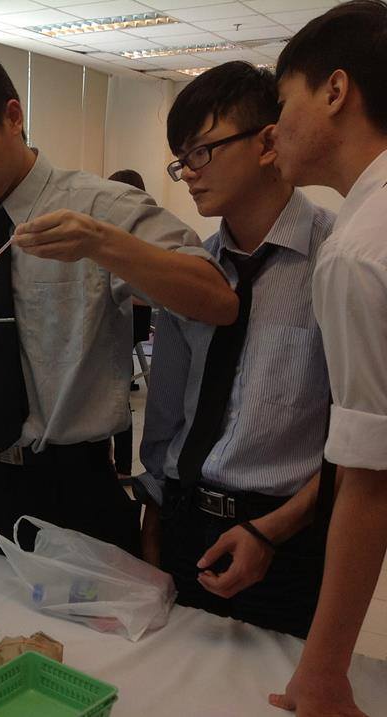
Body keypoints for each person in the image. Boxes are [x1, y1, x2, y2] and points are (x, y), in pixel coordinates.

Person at [0, 47, 238, 555]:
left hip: (71, 487)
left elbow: (216, 300)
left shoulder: (102, 209)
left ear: (13, 117)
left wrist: (104, 245)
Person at [136, 61, 335, 639]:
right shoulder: (194, 270)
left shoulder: (337, 258)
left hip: (282, 534)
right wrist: (154, 521)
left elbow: (360, 440)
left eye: (201, 152)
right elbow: (166, 414)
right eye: (181, 160)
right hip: (184, 519)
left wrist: (273, 530)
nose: (187, 175)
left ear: (267, 143)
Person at [268, 2, 387, 713]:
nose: (272, 130)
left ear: (336, 90)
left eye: (283, 103)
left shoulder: (358, 249)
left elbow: (370, 480)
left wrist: (320, 674)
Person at [105, 168, 148, 479]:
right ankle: (115, 464)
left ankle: (121, 468)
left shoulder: (141, 237)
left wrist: (115, 290)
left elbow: (146, 295)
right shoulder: (112, 233)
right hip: (114, 322)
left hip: (130, 321)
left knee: (116, 395)